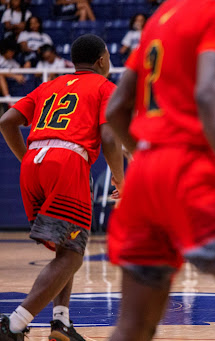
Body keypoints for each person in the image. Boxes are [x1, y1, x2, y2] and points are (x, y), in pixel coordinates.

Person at [105, 1, 215, 341]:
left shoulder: (161, 16)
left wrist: (149, 159)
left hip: (144, 175)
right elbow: (209, 93)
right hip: (194, 166)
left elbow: (116, 109)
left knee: (133, 326)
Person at [0, 34, 124, 341]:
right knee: (72, 255)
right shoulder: (105, 87)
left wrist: (29, 158)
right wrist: (122, 180)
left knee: (66, 246)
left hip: (34, 164)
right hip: (67, 163)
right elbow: (110, 138)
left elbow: (6, 121)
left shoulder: (49, 85)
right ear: (102, 60)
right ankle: (14, 324)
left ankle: (61, 322)